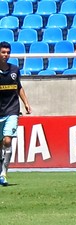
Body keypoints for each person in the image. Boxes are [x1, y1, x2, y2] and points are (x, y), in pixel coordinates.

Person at [0, 41, 32, 186]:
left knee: (7, 140)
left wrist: (26, 103)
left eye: (7, 52)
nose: (6, 55)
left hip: (12, 110)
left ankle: (4, 173)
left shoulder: (14, 70)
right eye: (3, 52)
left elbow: (19, 87)